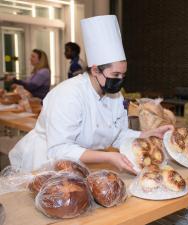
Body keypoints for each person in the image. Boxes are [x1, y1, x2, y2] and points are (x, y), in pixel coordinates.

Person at [9, 15, 172, 173]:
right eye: (115, 75)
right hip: (43, 164)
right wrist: (108, 157)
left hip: (80, 163)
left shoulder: (115, 96)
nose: (120, 80)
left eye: (123, 75)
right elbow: (59, 149)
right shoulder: (68, 95)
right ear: (95, 70)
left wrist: (146, 134)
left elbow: (118, 134)